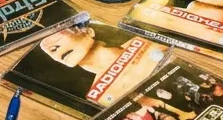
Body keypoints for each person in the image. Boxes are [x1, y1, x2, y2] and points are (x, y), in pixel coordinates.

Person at [34, 23, 167, 104]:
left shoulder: (145, 44)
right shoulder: (98, 96)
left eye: (58, 36)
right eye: (49, 52)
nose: (53, 50)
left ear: (88, 31)